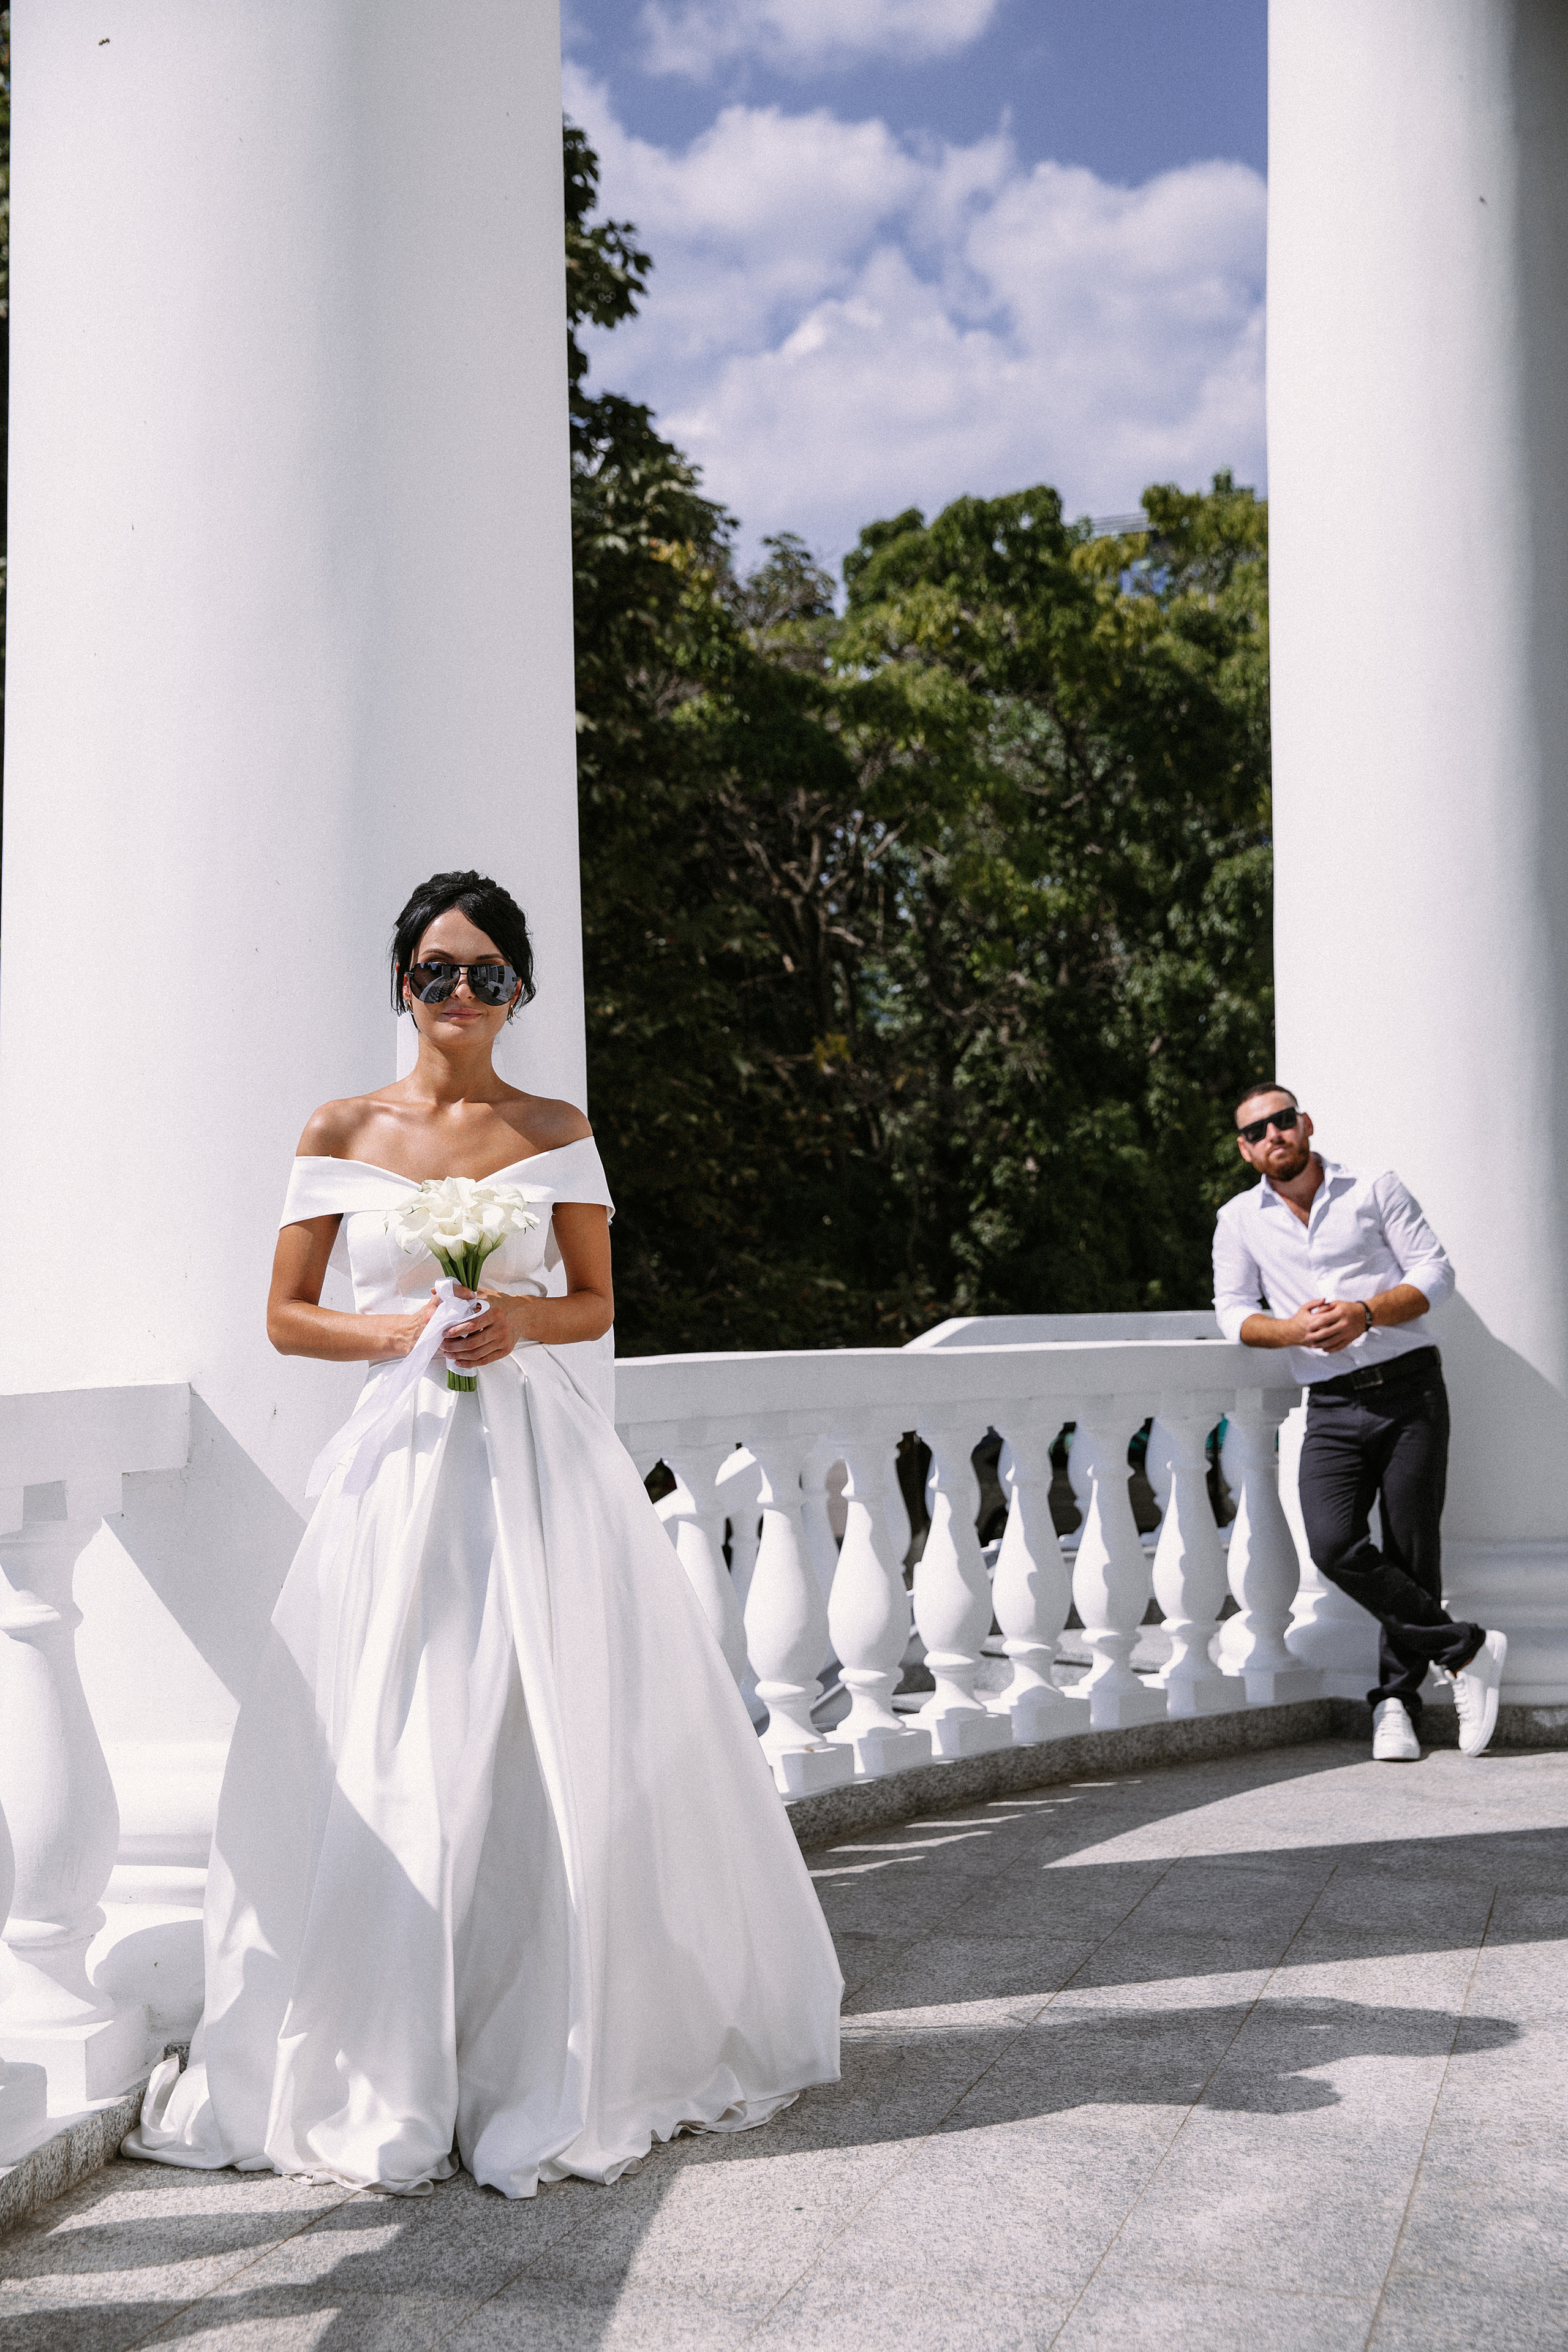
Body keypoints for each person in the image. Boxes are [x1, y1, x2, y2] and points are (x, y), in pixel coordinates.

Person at [123, 868, 842, 2196]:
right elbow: (288, 1316)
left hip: (534, 1462)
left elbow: (593, 1302)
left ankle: (543, 2047)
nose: (460, 993)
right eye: (436, 971)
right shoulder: (342, 1125)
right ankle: (388, 2056)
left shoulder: (554, 1128)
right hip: (401, 1467)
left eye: (487, 973)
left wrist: (513, 1320)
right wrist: (408, 1330)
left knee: (537, 1727)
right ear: (403, 985)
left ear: (519, 991)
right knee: (400, 1732)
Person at [1213, 1082, 1506, 1762]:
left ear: (1305, 1124)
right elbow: (1231, 1310)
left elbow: (1435, 1272)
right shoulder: (1239, 1219)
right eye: (1256, 1131)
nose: (1273, 1136)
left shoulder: (1374, 1187)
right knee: (1332, 1543)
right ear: (1245, 1150)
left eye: (1282, 1120)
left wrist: (1365, 1313)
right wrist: (1291, 1331)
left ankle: (1396, 1705)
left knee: (1410, 1551)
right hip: (1331, 1405)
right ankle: (1466, 1649)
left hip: (1409, 1391)